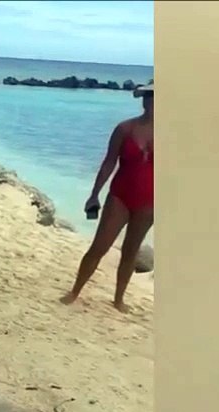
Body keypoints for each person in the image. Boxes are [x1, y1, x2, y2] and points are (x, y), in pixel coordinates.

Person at [61, 82, 154, 313]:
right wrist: (94, 194)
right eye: (149, 97)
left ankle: (118, 299)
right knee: (99, 247)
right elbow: (109, 162)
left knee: (131, 251)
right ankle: (75, 291)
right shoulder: (125, 128)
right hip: (120, 196)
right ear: (143, 100)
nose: (152, 102)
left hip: (150, 201)